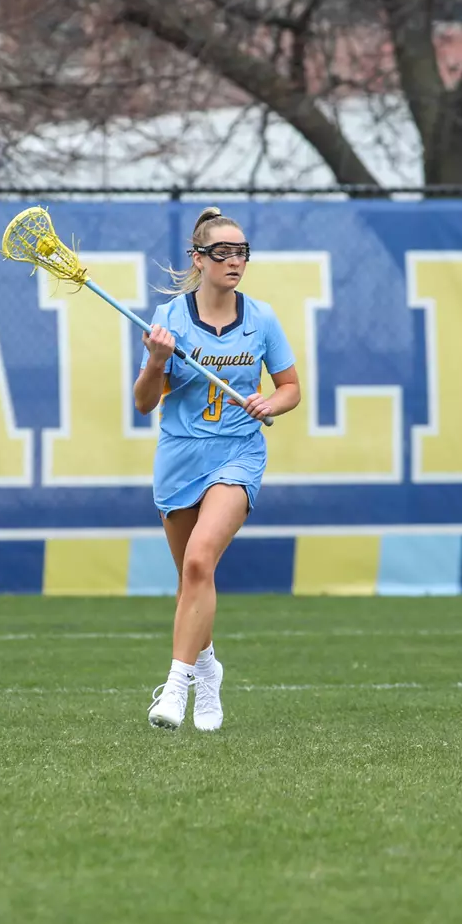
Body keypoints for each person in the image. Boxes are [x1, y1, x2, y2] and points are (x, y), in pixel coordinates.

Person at [134, 206, 299, 731]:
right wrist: (158, 362)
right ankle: (209, 672)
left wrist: (269, 405)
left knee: (202, 561)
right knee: (191, 580)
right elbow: (143, 403)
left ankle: (176, 687)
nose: (234, 261)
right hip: (181, 456)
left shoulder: (263, 318)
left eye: (241, 252)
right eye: (222, 252)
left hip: (238, 453)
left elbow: (290, 388)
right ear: (198, 259)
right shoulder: (169, 319)